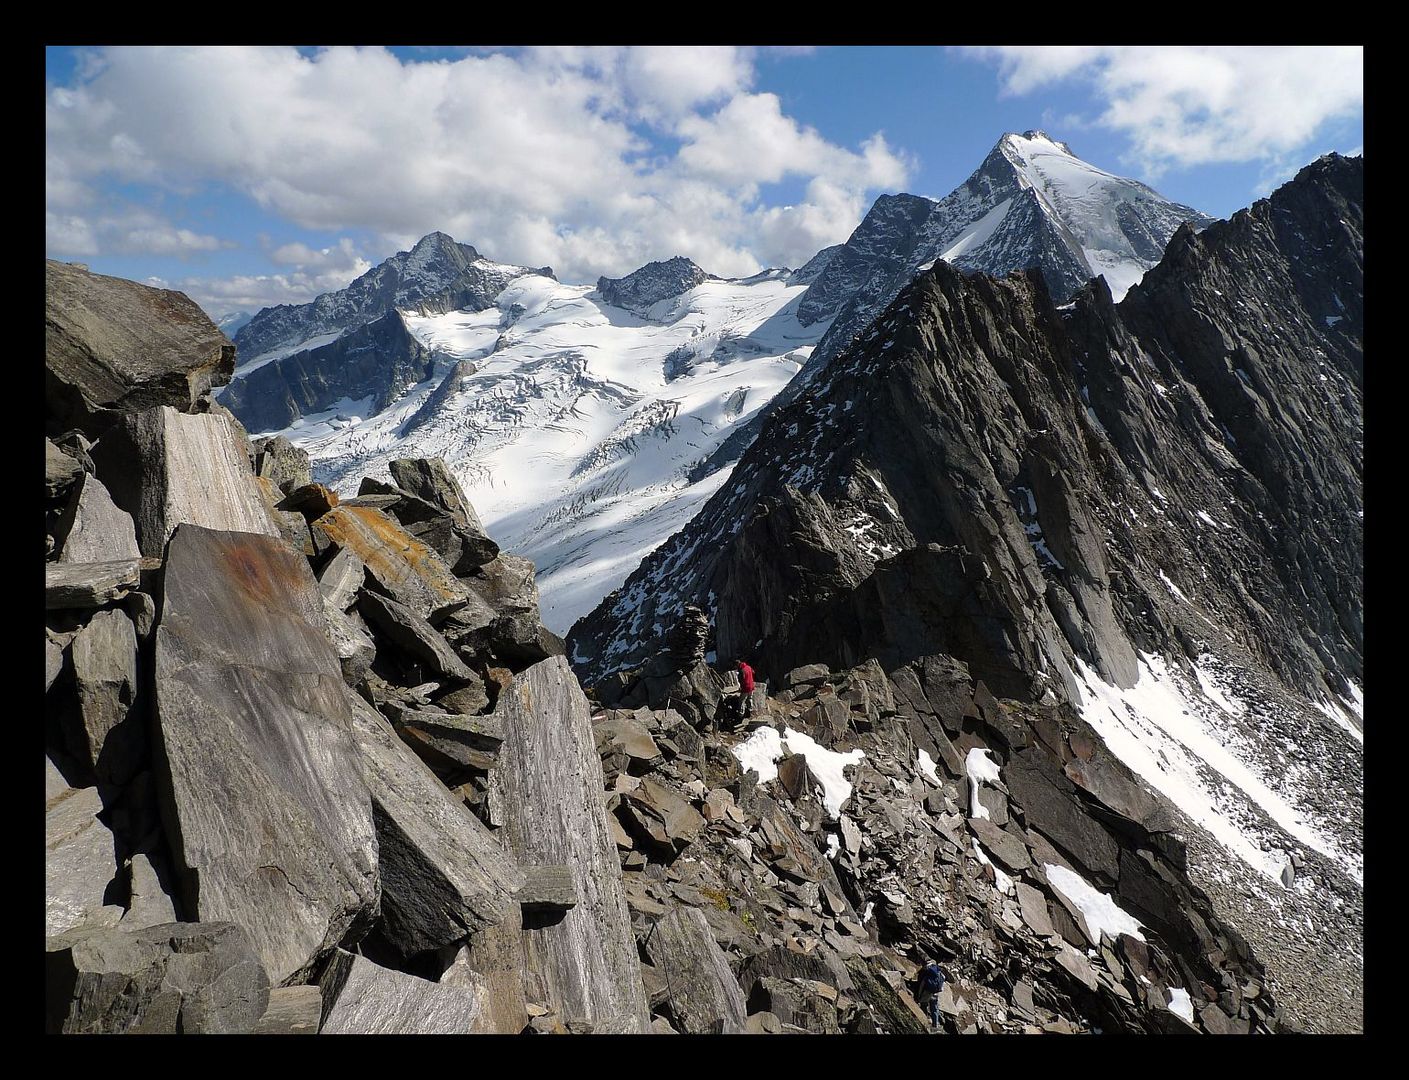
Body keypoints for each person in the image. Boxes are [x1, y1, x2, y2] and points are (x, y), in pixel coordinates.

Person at [915, 960, 948, 1031]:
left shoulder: (926, 973)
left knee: (924, 1005)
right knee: (934, 1008)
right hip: (935, 992)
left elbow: (922, 985)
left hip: (927, 992)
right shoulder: (938, 971)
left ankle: (923, 1021)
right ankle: (935, 1024)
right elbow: (943, 982)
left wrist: (918, 996)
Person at [734, 659, 756, 726]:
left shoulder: (741, 671)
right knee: (750, 698)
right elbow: (753, 672)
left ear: (737, 665)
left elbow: (742, 680)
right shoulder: (748, 667)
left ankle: (741, 715)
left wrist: (741, 688)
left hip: (746, 688)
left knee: (741, 701)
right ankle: (750, 711)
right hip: (751, 686)